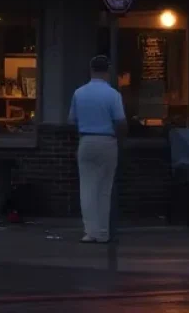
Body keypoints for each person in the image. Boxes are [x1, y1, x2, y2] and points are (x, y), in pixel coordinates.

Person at [69, 54, 127, 244]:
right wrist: (120, 140)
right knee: (104, 189)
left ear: (91, 69)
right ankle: (103, 232)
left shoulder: (79, 93)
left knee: (87, 188)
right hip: (107, 141)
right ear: (108, 71)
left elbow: (72, 121)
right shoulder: (113, 95)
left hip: (86, 140)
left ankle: (90, 232)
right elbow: (120, 122)